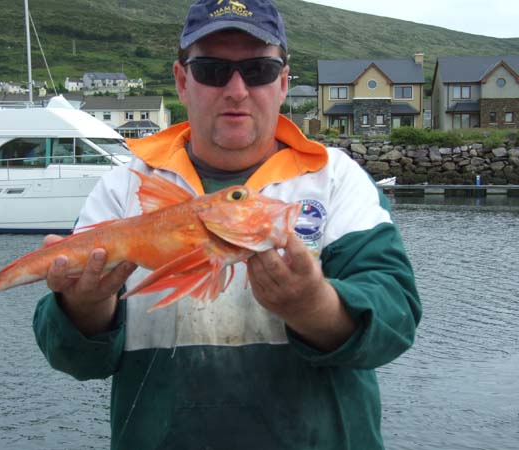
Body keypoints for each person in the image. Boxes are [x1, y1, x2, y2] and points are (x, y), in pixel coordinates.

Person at [33, 0, 422, 449]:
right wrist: (84, 306)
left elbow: (395, 320)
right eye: (213, 70)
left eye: (257, 70)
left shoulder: (334, 179)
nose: (236, 90)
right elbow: (73, 358)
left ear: (282, 82)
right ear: (183, 81)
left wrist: (312, 306)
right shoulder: (127, 188)